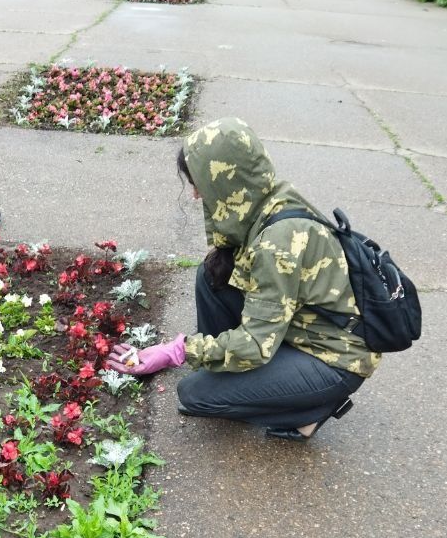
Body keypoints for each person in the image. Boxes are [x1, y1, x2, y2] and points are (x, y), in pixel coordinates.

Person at [106, 117, 380, 441]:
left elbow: (255, 345)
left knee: (195, 395)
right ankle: (237, 376)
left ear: (223, 181)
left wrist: (178, 351)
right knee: (212, 276)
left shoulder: (276, 244)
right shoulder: (269, 198)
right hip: (301, 329)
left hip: (333, 359)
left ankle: (312, 410)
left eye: (199, 184)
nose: (195, 195)